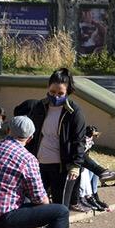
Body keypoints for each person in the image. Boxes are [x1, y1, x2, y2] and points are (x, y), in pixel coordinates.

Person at [26, 69, 87, 212]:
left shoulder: (74, 112)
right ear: (48, 88)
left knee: (60, 208)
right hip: (38, 164)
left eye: (60, 93)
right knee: (35, 204)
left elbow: (79, 141)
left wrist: (75, 165)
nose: (55, 96)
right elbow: (30, 133)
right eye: (52, 92)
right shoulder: (39, 107)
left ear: (68, 92)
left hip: (61, 167)